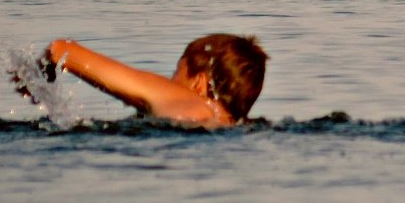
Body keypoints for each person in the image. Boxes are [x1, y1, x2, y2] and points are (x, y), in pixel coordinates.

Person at [14, 34, 268, 127]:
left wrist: (35, 77)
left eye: (176, 72)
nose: (169, 81)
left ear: (200, 83)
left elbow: (62, 50)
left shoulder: (187, 100)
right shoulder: (231, 123)